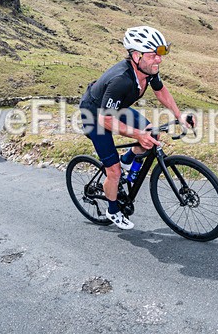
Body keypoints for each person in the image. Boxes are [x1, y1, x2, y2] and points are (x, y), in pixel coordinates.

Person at [79, 26, 192, 230]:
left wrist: (179, 115)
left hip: (116, 108)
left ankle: (127, 159)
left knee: (152, 133)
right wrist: (137, 134)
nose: (159, 59)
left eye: (161, 53)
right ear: (136, 55)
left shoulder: (147, 70)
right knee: (113, 172)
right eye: (154, 55)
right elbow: (106, 120)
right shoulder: (121, 80)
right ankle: (113, 211)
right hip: (95, 115)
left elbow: (161, 91)